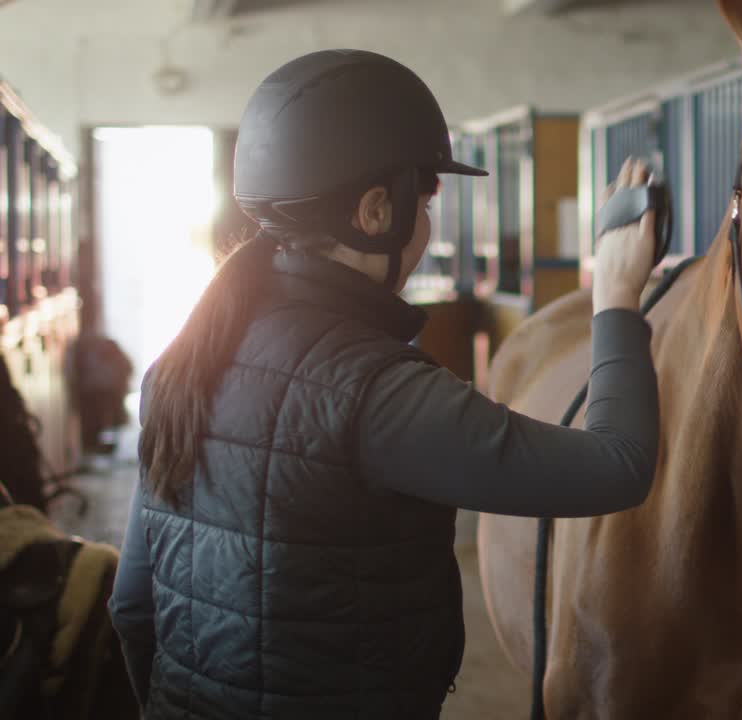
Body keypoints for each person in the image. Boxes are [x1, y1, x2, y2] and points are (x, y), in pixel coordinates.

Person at [107, 49, 661, 719]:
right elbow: (619, 466)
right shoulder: (379, 392)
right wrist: (615, 296)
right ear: (377, 212)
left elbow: (132, 604)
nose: (428, 227)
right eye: (425, 201)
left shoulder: (181, 361)